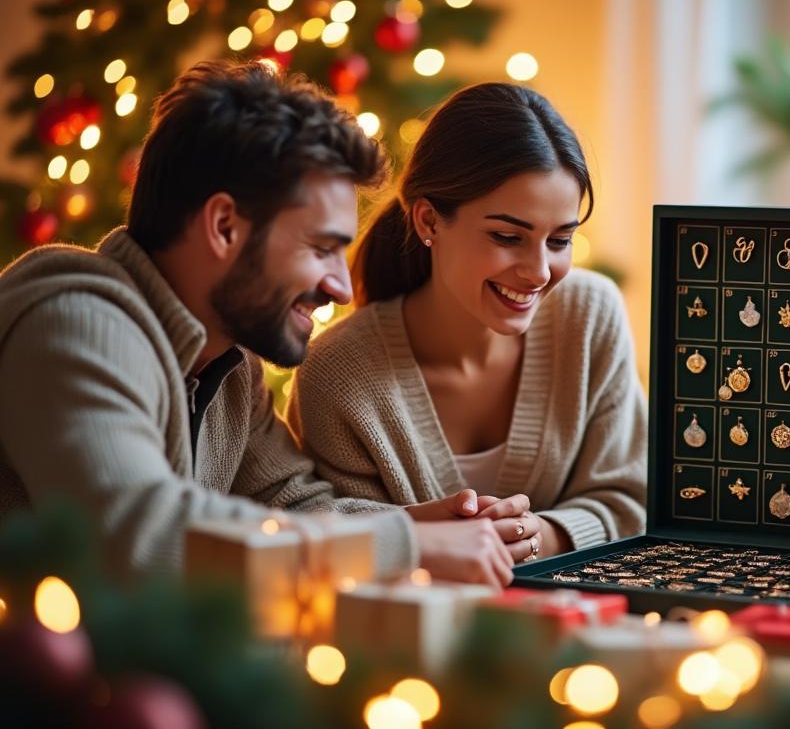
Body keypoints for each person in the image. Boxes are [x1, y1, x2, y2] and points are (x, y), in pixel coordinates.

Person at [0, 61, 516, 588]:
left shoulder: (230, 360)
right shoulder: (75, 325)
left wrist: (420, 523)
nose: (340, 286)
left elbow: (292, 504)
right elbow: (143, 538)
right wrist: (409, 546)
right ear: (224, 226)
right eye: (321, 248)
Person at [286, 82, 647, 563]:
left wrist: (539, 534)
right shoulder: (339, 375)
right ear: (429, 222)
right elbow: (330, 537)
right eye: (506, 236)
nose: (539, 272)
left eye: (560, 240)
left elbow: (632, 501)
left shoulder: (589, 317)